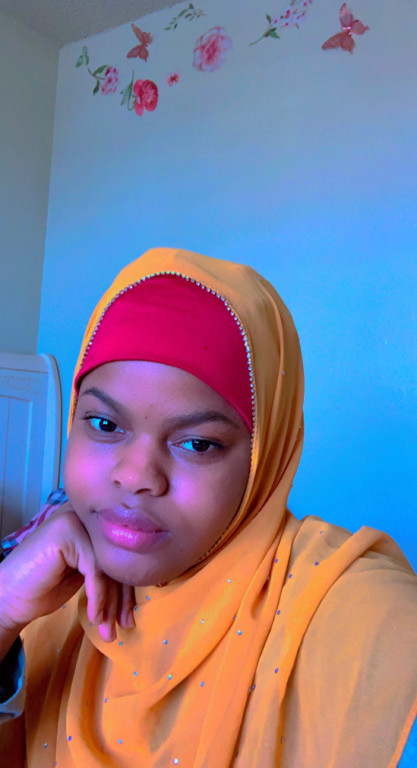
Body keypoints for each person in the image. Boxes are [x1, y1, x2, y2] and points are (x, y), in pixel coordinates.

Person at [0, 247, 416, 768]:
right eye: (105, 424)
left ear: (264, 460)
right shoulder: (53, 585)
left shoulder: (345, 608)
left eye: (198, 444)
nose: (135, 476)